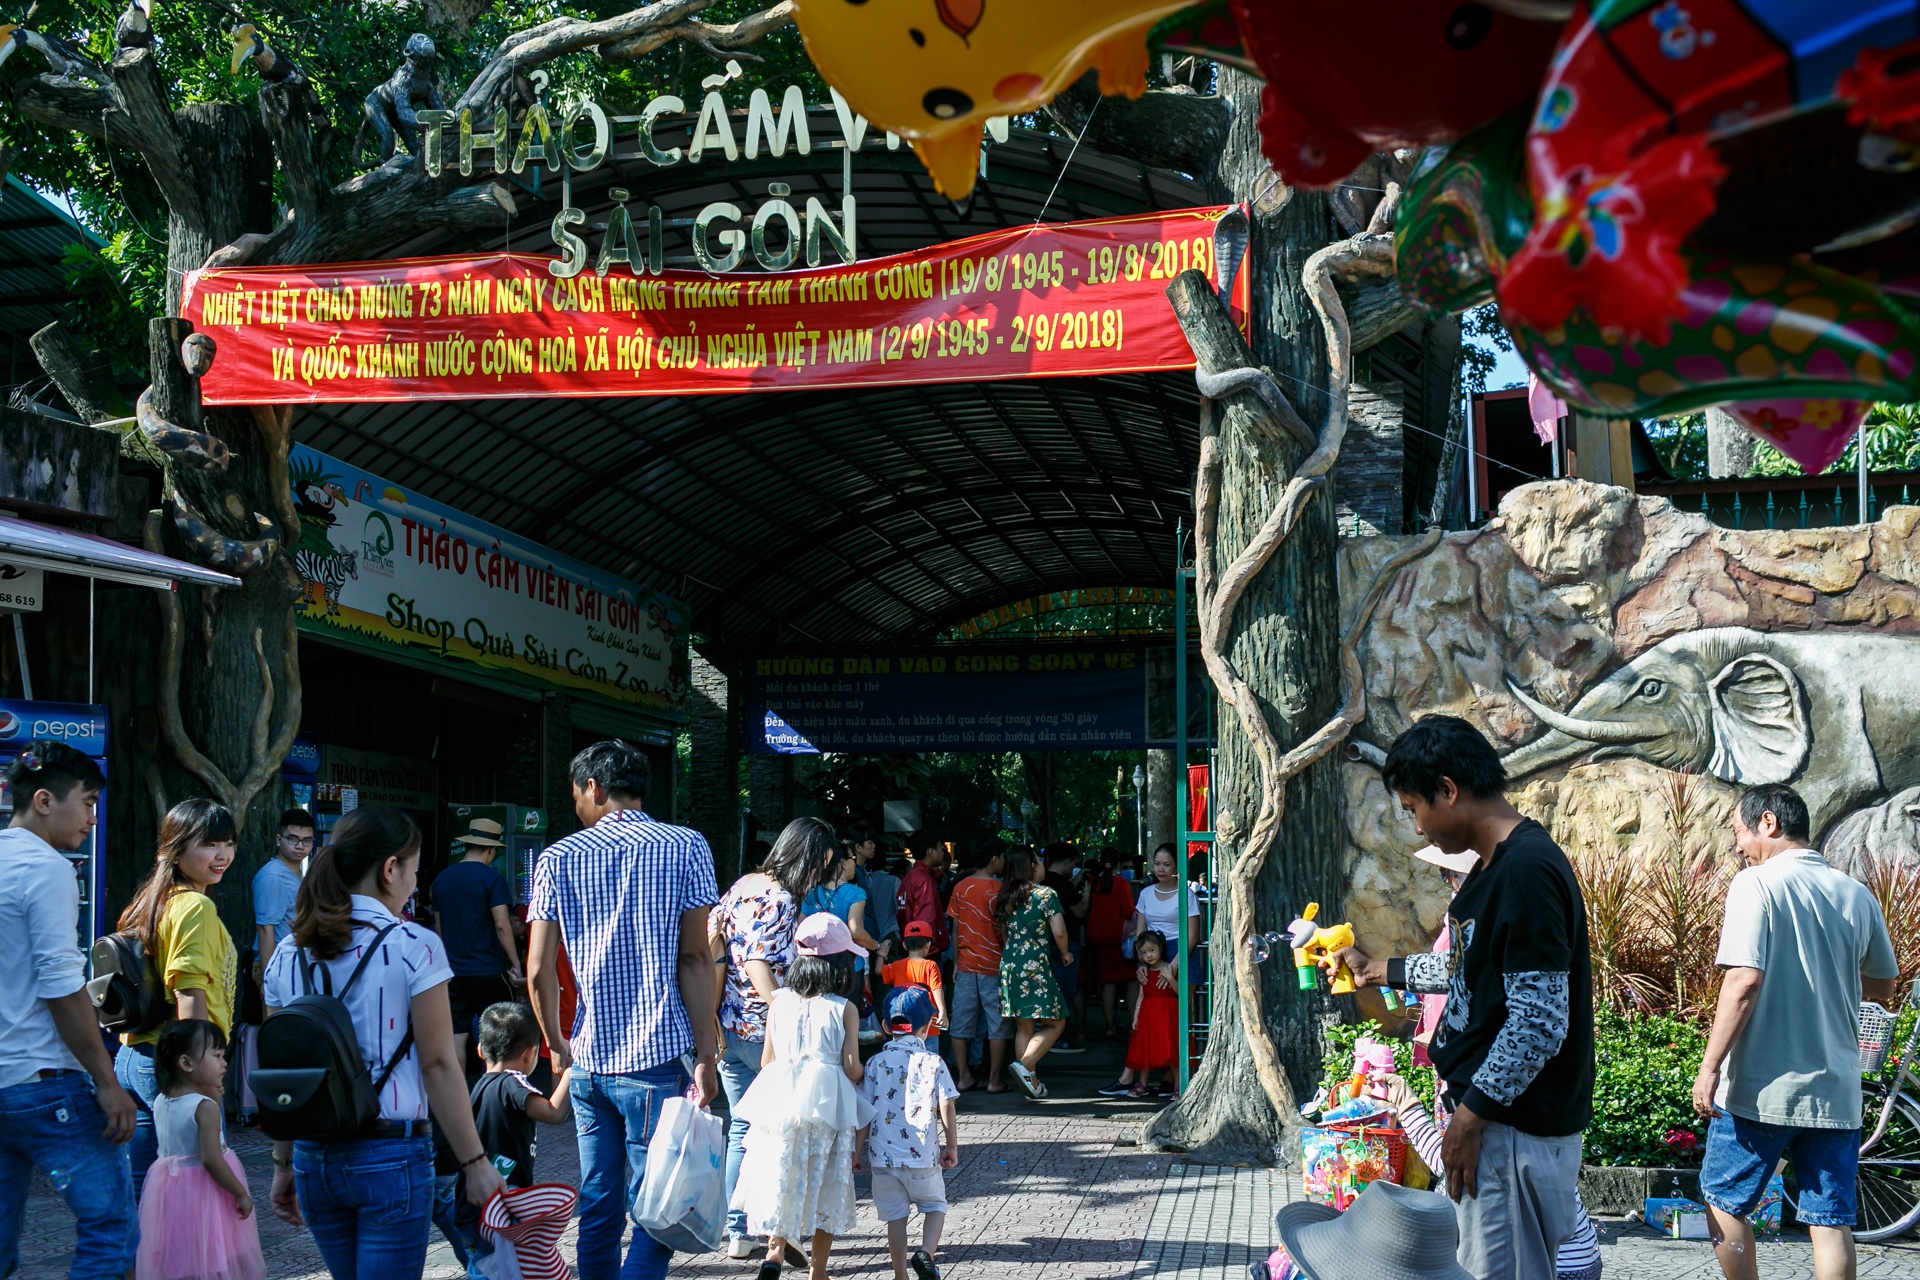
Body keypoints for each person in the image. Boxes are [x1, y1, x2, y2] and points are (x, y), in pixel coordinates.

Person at [1331, 715, 1595, 1280]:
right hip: (1496, 1128)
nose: (1419, 828)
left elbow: (1538, 1021)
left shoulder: (1525, 870)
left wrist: (1468, 1120)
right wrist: (1379, 969)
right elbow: (1469, 971)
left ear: (1448, 790)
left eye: (1414, 809)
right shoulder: (1494, 869)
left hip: (1510, 1133)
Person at [262, 804, 505, 1280]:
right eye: (413, 871)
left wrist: (283, 1162)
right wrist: (474, 1161)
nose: (415, 884)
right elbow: (438, 1065)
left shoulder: (287, 954)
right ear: (391, 868)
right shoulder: (415, 946)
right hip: (390, 1157)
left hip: (315, 1158)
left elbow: (283, 1070)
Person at [525, 740, 718, 1280]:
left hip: (588, 1061)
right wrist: (706, 1052)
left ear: (594, 788)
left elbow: (538, 969)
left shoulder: (558, 858)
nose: (576, 807)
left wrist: (557, 1046)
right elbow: (696, 956)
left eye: (576, 794)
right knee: (659, 1207)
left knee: (599, 1203)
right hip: (657, 1058)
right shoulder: (686, 846)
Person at [1691, 783, 1899, 1280]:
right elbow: (1883, 984)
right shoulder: (1856, 893)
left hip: (1763, 1086)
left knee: (1724, 1202)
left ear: (1768, 823)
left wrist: (1709, 1067)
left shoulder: (1756, 884)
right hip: (1837, 1088)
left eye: (1739, 832)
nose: (1738, 847)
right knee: (1830, 1222)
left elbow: (1742, 981)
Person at [0, 740, 139, 1280]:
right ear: (42, 800)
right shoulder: (49, 868)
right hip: (44, 1083)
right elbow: (62, 986)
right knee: (112, 1230)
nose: (92, 818)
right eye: (86, 803)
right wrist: (106, 1081)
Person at [710, 817, 835, 1261]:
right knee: (783, 1133)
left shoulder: (743, 885)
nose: (824, 869)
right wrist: (788, 1008)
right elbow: (759, 961)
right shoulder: (780, 898)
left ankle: (738, 1231)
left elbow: (720, 946)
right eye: (823, 859)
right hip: (767, 1033)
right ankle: (776, 1235)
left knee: (742, 1129)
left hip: (728, 1023)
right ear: (811, 855)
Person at [729, 914, 873, 1280]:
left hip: (780, 1098)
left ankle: (775, 1253)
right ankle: (818, 1271)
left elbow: (766, 1060)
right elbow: (853, 1066)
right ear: (839, 964)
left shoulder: (778, 1002)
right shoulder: (844, 1008)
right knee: (826, 1180)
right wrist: (862, 1072)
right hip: (827, 1103)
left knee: (783, 1174)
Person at [116, 799, 242, 1196]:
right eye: (209, 844)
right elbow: (189, 993)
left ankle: (141, 1261)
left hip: (135, 1058)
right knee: (199, 1187)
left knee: (146, 1189)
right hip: (177, 1063)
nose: (222, 856)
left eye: (228, 843)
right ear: (175, 848)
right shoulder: (194, 906)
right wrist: (201, 1072)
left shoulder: (153, 900)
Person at [1367, 1071, 1603, 1280]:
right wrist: (1404, 1099)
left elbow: (1450, 1162)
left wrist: (1405, 1101)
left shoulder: (1496, 1128)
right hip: (1582, 1256)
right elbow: (1446, 1161)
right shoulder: (1527, 1121)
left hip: (1556, 1265)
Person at [443, 1002, 575, 1279]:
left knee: (487, 1268)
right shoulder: (511, 1083)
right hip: (498, 1211)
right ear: (530, 1054)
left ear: (480, 1051)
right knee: (504, 1269)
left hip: (470, 1208)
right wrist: (572, 1070)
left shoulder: (480, 1085)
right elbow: (554, 1113)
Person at [135, 1018, 263, 1280]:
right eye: (216, 1055)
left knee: (185, 1251)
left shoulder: (162, 1100)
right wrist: (240, 1194)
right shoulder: (205, 1107)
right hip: (207, 1191)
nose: (224, 1062)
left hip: (171, 1189)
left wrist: (213, 1096)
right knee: (214, 1249)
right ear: (186, 1063)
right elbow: (211, 1160)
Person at [855, 986, 959, 1280]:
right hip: (923, 1156)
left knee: (895, 1218)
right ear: (927, 1027)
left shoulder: (874, 1063)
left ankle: (900, 1276)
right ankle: (926, 1252)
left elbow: (864, 1113)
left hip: (883, 1160)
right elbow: (946, 1105)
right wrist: (951, 1146)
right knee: (935, 1205)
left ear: (887, 1027)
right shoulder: (934, 1063)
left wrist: (855, 1151)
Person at [430, 817, 524, 1071]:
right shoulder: (492, 879)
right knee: (500, 1038)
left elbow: (438, 928)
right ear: (491, 850)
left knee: (456, 1038)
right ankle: (495, 1097)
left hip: (453, 974)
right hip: (488, 971)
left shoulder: (442, 880)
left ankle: (459, 1099)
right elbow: (502, 925)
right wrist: (516, 964)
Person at [994, 849, 1071, 1100]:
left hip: (1010, 965)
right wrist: (1065, 953)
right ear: (1029, 867)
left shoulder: (1006, 896)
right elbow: (1058, 931)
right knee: (1056, 1022)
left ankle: (1032, 1085)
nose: (1040, 866)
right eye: (1036, 862)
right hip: (1035, 965)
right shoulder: (1046, 894)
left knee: (1024, 1027)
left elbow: (1004, 934)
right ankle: (1025, 1066)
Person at [945, 845, 1009, 1094]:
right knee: (997, 1025)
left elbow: (956, 929)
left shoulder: (960, 887)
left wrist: (957, 961)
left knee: (960, 1024)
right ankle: (994, 1081)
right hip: (994, 965)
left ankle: (963, 1078)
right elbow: (1004, 930)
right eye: (1001, 857)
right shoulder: (999, 890)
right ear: (994, 858)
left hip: (966, 965)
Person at [1106, 930, 1177, 1098]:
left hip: (1167, 1016)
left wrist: (1170, 978)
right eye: (1144, 953)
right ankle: (1142, 1084)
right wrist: (1136, 1015)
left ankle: (1178, 1086)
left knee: (1172, 1051)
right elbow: (1141, 995)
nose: (1149, 955)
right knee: (1145, 1050)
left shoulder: (1169, 969)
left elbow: (1178, 992)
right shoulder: (1144, 972)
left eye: (1152, 950)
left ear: (1160, 947)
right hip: (1148, 1016)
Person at [251, 809, 313, 983]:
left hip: (295, 965)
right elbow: (265, 929)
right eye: (293, 839)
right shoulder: (273, 876)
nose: (300, 846)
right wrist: (268, 979)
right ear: (279, 840)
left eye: (307, 840)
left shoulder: (297, 873)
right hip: (278, 967)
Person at [1040, 844, 1089, 1052]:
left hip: (1043, 944)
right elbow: (1078, 911)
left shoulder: (1044, 882)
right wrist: (1086, 893)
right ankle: (1057, 1036)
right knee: (1064, 991)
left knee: (1049, 991)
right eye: (1073, 864)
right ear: (1068, 862)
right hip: (1064, 945)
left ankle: (1047, 1034)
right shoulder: (1062, 885)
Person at [1082, 852, 1137, 1038]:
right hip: (1120, 942)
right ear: (1118, 865)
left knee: (1108, 984)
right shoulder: (1121, 884)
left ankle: (1110, 1027)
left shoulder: (1093, 883)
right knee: (1131, 983)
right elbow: (1129, 911)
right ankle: (1133, 1025)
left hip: (1098, 942)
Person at [804, 842, 882, 973]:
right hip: (848, 965)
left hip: (816, 965)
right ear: (844, 863)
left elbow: (802, 925)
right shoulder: (856, 893)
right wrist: (877, 946)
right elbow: (855, 931)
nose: (854, 864)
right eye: (853, 859)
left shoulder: (812, 892)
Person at [1133, 843, 1201, 976]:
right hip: (1151, 953)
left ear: (1177, 865)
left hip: (1182, 951)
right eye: (1157, 864)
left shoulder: (1187, 895)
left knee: (1184, 996)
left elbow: (1192, 934)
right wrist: (1141, 961)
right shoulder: (1145, 894)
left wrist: (1174, 965)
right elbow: (1140, 932)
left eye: (1167, 865)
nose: (1161, 869)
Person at [880, 921, 949, 1036]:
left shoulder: (896, 966)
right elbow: (936, 989)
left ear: (905, 945)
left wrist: (881, 953)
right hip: (927, 1027)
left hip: (903, 1026)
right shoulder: (931, 965)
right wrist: (942, 1011)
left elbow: (879, 971)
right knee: (929, 1054)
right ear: (928, 945)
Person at [897, 834, 949, 957]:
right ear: (931, 851)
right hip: (923, 951)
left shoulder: (910, 877)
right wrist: (927, 950)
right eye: (941, 848)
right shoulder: (924, 880)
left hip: (910, 946)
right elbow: (926, 920)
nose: (943, 852)